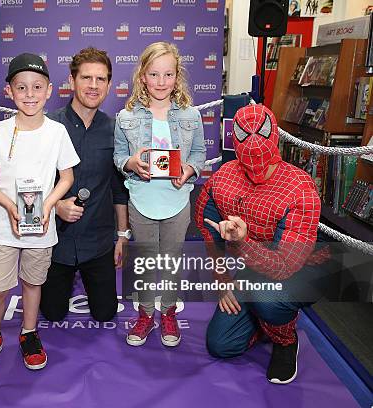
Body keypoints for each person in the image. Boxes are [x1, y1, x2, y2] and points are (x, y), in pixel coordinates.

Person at [194, 104, 322, 384]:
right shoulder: (224, 177)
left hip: (301, 269)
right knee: (221, 344)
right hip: (254, 267)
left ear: (274, 134)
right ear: (233, 138)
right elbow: (207, 225)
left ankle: (285, 341)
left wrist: (243, 243)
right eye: (244, 133)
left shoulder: (299, 187)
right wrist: (223, 279)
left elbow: (286, 265)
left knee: (268, 299)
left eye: (261, 132)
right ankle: (263, 324)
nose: (253, 141)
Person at [0, 53, 80, 374]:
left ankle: (29, 333)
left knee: (33, 284)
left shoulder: (57, 131)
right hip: (5, 227)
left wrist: (47, 206)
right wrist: (7, 205)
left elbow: (67, 177)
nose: (29, 94)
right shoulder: (0, 132)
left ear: (49, 91)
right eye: (21, 87)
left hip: (42, 227)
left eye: (37, 87)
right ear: (9, 91)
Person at [114, 41, 206, 347]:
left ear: (177, 76)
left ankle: (168, 312)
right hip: (141, 202)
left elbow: (199, 152)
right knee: (145, 262)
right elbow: (118, 157)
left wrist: (189, 170)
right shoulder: (125, 117)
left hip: (177, 202)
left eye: (168, 74)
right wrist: (131, 162)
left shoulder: (191, 115)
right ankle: (145, 314)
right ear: (142, 76)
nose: (161, 82)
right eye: (154, 74)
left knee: (170, 262)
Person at [40, 47, 129, 323]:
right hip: (57, 240)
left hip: (98, 240)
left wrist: (122, 236)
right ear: (72, 80)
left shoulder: (116, 129)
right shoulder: (48, 126)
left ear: (109, 85)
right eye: (86, 78)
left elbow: (118, 189)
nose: (93, 86)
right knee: (52, 313)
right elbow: (29, 182)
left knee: (105, 314)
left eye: (100, 79)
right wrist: (55, 208)